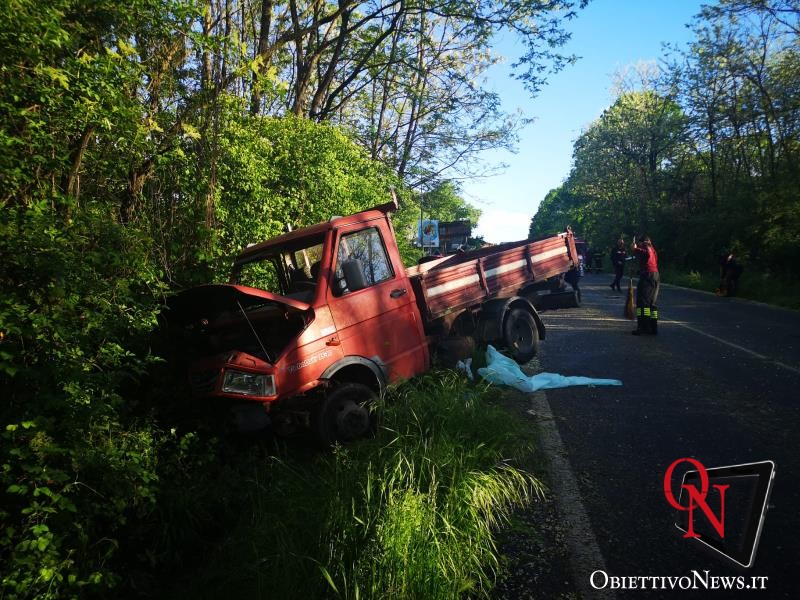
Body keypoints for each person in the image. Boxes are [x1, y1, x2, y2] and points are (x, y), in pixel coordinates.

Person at [631, 235, 659, 335]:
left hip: (648, 277)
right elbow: (650, 262)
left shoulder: (646, 247)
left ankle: (643, 327)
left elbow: (646, 254)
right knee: (652, 304)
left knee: (642, 303)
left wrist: (635, 249)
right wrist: (639, 271)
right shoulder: (653, 249)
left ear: (641, 242)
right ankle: (653, 327)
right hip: (654, 275)